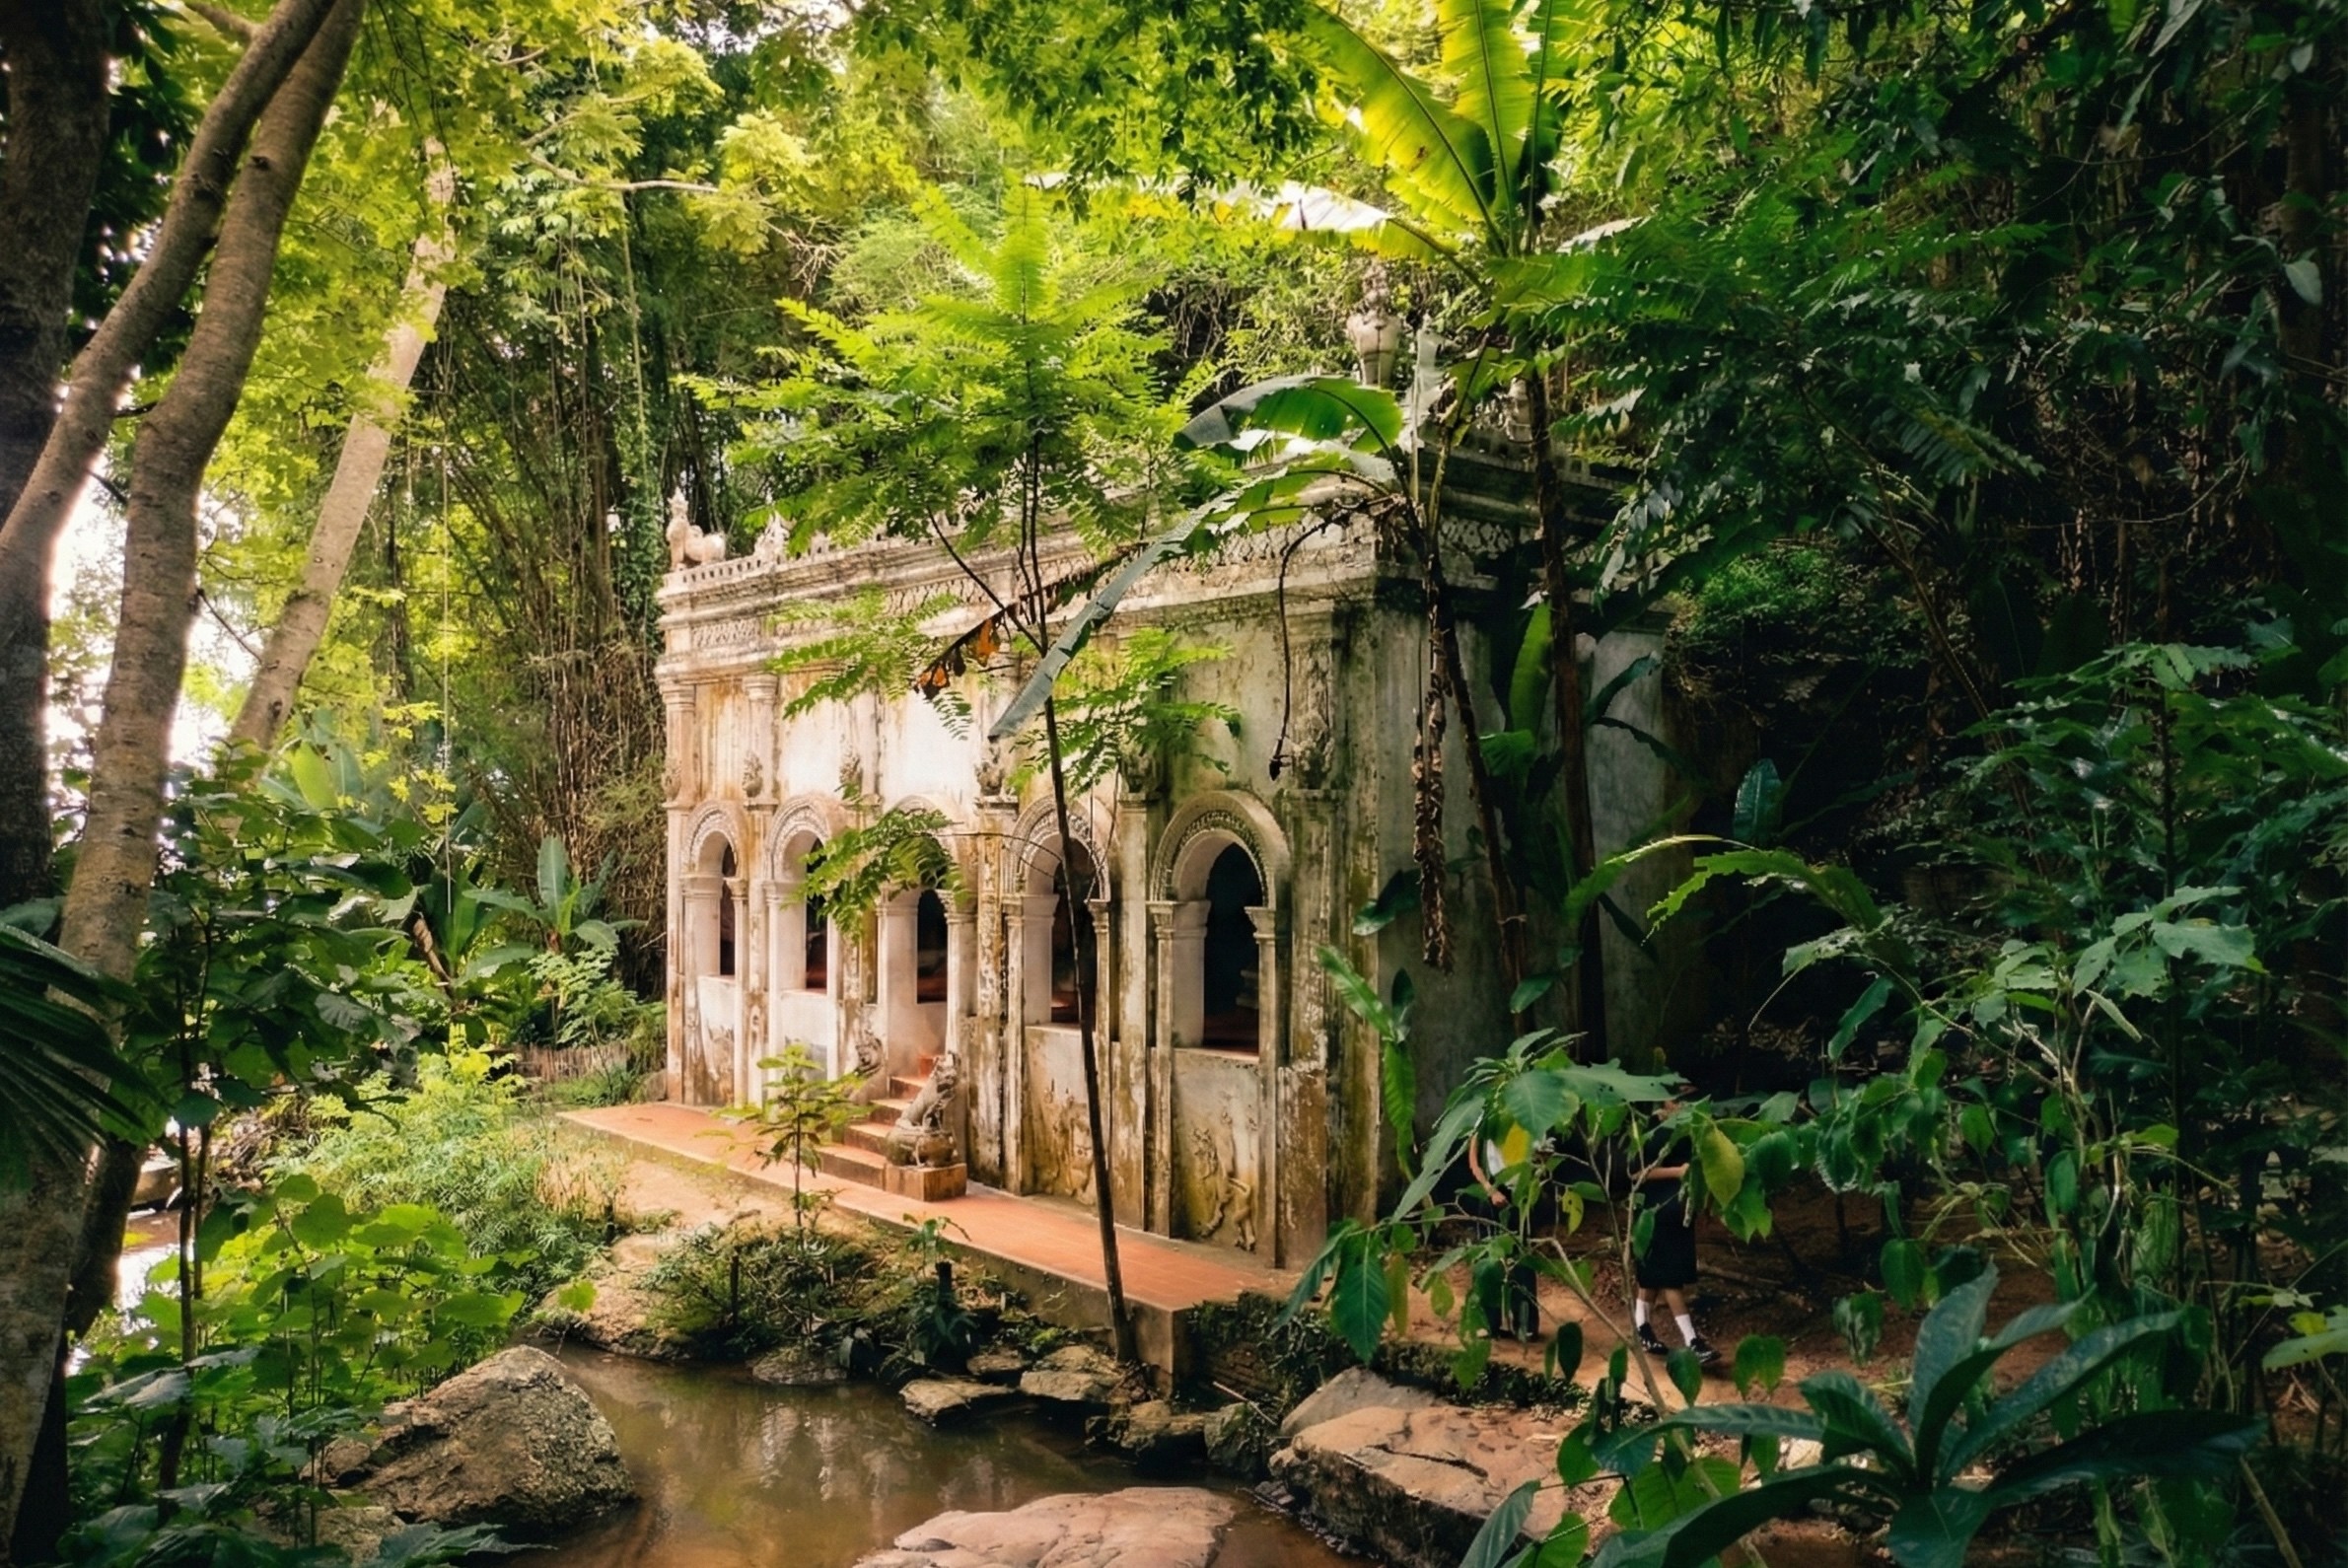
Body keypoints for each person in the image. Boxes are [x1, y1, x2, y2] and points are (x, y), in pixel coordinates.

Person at [1632, 1098, 1717, 1365]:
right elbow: (1636, 1173)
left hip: (1679, 1211)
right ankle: (1693, 1341)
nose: (1684, 1104)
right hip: (1652, 1212)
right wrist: (1677, 1172)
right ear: (1665, 1102)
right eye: (1679, 1099)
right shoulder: (1648, 1130)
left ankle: (1642, 1328)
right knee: (1669, 1279)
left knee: (1653, 1275)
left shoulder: (1689, 1128)